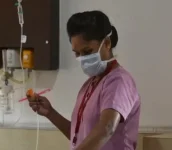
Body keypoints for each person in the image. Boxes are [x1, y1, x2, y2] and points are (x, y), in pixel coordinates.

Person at [28, 10, 141, 150]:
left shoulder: (119, 81)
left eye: (87, 51)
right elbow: (80, 137)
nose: (82, 58)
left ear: (106, 43)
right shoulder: (89, 85)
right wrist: (50, 113)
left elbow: (107, 128)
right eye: (77, 53)